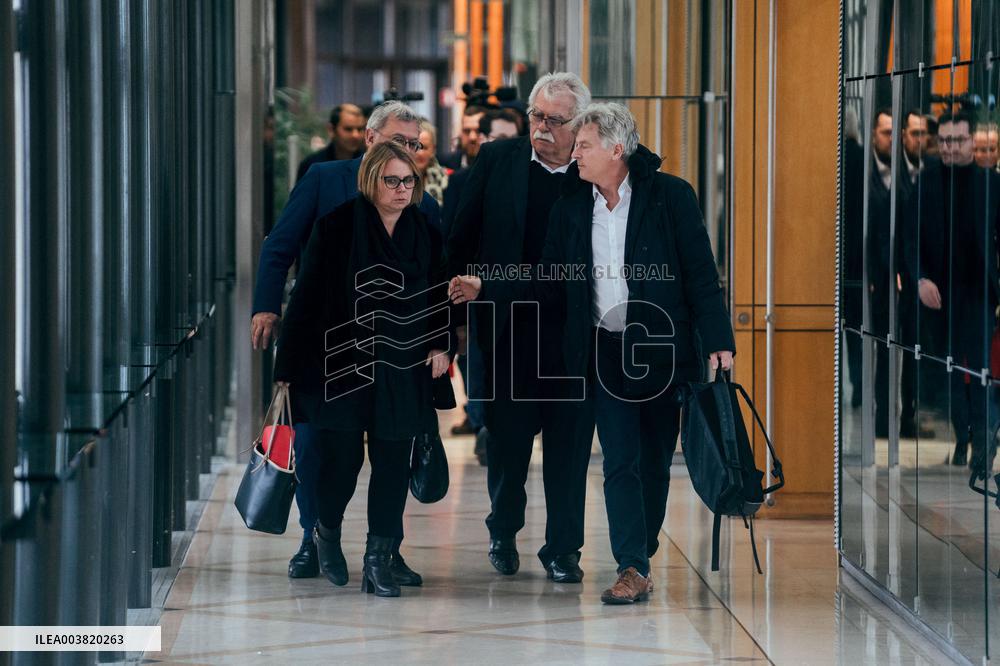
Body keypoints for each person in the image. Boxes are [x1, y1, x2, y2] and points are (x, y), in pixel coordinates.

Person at [452, 102, 735, 603]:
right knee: (619, 460)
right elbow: (547, 282)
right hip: (601, 353)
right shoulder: (570, 209)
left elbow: (700, 275)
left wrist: (718, 342)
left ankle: (640, 551)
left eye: (583, 146)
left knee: (652, 461)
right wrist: (488, 286)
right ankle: (631, 565)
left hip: (660, 349)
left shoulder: (670, 197)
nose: (573, 155)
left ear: (616, 149)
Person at [251, 100, 440, 581]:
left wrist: (441, 343)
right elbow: (282, 247)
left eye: (416, 147)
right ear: (373, 138)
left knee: (391, 453)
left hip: (396, 360)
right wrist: (268, 308)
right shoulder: (325, 181)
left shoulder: (421, 206)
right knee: (325, 453)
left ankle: (385, 551)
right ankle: (313, 536)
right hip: (330, 353)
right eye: (401, 143)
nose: (410, 155)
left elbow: (438, 282)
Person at [446, 72, 595, 583]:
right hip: (510, 331)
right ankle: (503, 531)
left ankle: (562, 549)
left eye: (556, 120)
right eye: (537, 117)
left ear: (580, 126)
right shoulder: (498, 161)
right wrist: (453, 325)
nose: (543, 129)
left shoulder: (592, 173)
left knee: (569, 448)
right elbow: (459, 241)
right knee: (507, 444)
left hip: (575, 336)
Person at [905, 110, 1000, 471]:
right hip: (938, 292)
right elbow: (909, 238)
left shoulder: (990, 182)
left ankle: (982, 444)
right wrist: (919, 279)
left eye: (957, 140)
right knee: (947, 369)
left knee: (977, 368)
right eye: (944, 140)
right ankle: (964, 434)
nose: (950, 147)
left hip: (977, 290)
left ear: (972, 142)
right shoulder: (926, 181)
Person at [443, 108, 525, 450]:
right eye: (500, 139)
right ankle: (482, 424)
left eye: (513, 139)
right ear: (485, 141)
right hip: (479, 294)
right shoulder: (463, 181)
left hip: (522, 291)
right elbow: (456, 242)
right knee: (478, 363)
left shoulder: (528, 180)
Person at [296, 103, 367, 182]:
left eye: (360, 129)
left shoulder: (369, 164)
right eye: (348, 129)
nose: (355, 135)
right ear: (331, 130)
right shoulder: (312, 165)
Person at [413, 119, 449, 207]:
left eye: (425, 148)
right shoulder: (398, 179)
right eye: (416, 146)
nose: (420, 153)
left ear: (433, 150)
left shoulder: (447, 179)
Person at [439, 105, 485, 170]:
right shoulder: (444, 164)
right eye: (467, 131)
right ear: (460, 133)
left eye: (478, 131)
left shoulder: (496, 167)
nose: (472, 137)